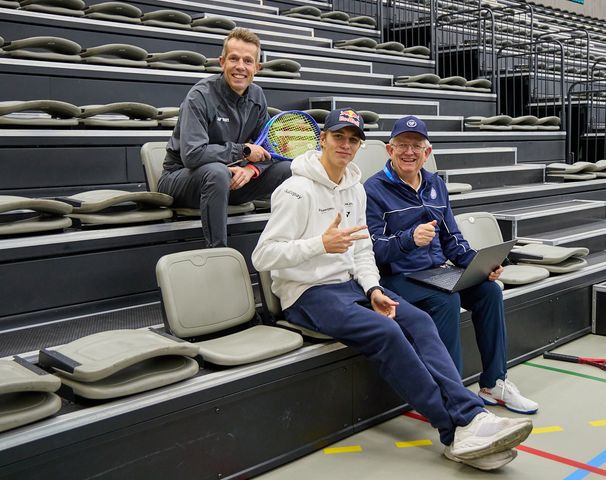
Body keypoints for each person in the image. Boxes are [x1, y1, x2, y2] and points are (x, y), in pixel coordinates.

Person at [252, 108, 532, 471]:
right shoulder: (295, 190)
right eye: (339, 137)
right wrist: (320, 244)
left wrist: (372, 289)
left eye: (353, 140)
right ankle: (455, 429)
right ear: (323, 139)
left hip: (352, 284)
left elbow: (363, 250)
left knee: (417, 321)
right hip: (308, 293)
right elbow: (263, 256)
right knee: (388, 331)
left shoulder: (353, 187)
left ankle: (472, 415)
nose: (346, 145)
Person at [363, 116, 538, 415]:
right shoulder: (372, 189)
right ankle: (451, 395)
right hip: (395, 278)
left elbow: (453, 240)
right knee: (446, 300)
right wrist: (408, 239)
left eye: (416, 146)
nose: (409, 152)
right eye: (402, 145)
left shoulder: (435, 184)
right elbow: (372, 250)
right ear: (389, 150)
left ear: (427, 153)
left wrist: (482, 266)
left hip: (435, 273)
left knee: (489, 291)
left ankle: (494, 382)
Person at [158, 27, 291, 247]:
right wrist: (243, 151)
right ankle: (218, 253)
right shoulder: (199, 96)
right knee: (217, 172)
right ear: (222, 62)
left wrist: (251, 170)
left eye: (248, 61)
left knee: (288, 169)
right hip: (182, 178)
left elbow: (267, 148)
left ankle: (285, 245)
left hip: (231, 180)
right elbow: (193, 155)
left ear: (256, 68)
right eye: (234, 59)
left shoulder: (257, 96)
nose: (240, 67)